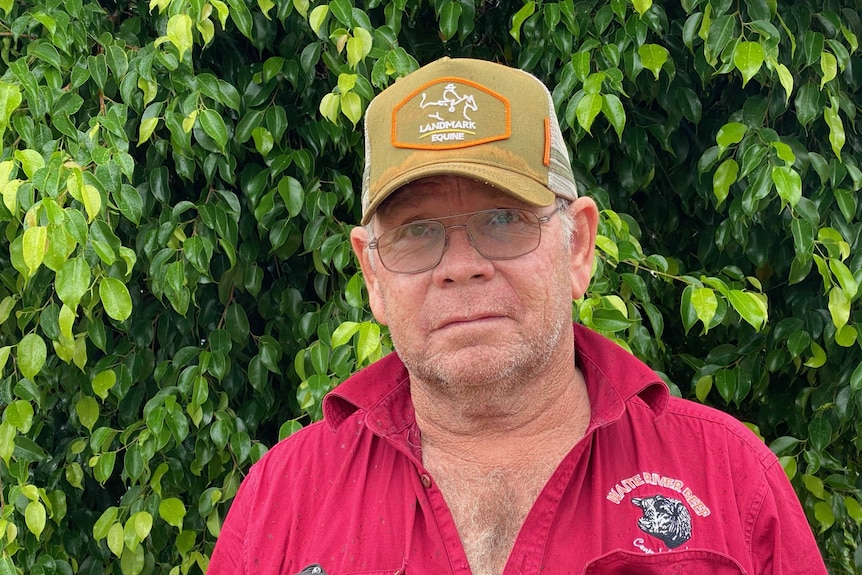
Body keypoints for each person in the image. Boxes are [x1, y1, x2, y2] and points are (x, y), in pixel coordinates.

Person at [207, 57, 827, 575]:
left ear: (579, 245)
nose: (460, 265)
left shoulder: (730, 481)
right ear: (373, 273)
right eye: (417, 233)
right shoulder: (281, 502)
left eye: (504, 220)